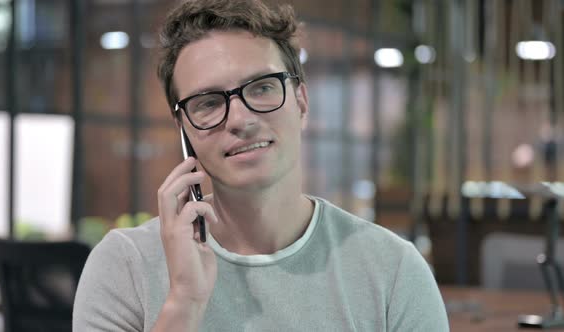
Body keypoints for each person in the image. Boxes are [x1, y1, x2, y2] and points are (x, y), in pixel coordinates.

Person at [73, 0, 449, 330]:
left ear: (300, 101)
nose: (239, 118)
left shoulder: (392, 269)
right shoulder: (124, 265)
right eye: (208, 102)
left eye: (262, 87)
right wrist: (184, 303)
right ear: (183, 127)